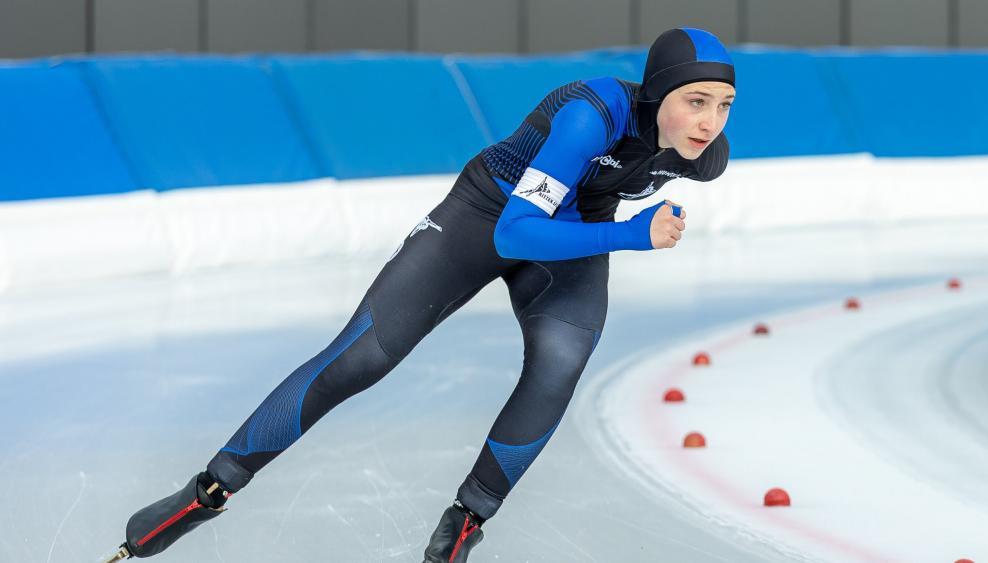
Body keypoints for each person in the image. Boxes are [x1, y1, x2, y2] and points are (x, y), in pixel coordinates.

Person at [110, 27, 736, 563]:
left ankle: (465, 524)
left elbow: (601, 195)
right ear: (656, 94)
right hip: (487, 214)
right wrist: (631, 234)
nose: (709, 122)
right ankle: (209, 490)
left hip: (569, 234)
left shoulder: (704, 155)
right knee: (363, 356)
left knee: (561, 361)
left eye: (724, 105)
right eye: (695, 102)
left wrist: (613, 226)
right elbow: (515, 230)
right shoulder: (590, 114)